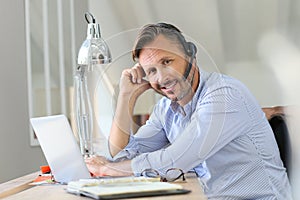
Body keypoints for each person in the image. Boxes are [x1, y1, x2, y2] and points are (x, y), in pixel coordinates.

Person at [85, 23, 292, 199]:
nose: (162, 77)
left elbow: (175, 160)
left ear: (191, 55)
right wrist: (125, 97)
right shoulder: (166, 109)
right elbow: (121, 159)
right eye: (151, 71)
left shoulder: (224, 95)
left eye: (167, 62)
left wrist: (106, 168)